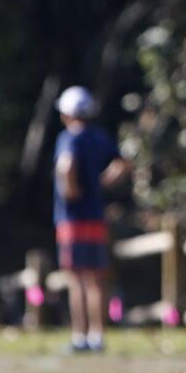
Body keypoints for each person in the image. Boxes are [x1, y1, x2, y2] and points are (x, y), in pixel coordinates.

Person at [53, 85, 130, 352]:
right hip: (96, 217)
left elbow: (66, 165)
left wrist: (71, 190)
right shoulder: (99, 137)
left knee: (76, 280)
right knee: (97, 280)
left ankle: (80, 336)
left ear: (66, 113)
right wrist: (103, 184)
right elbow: (122, 163)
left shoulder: (69, 137)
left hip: (72, 219)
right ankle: (98, 336)